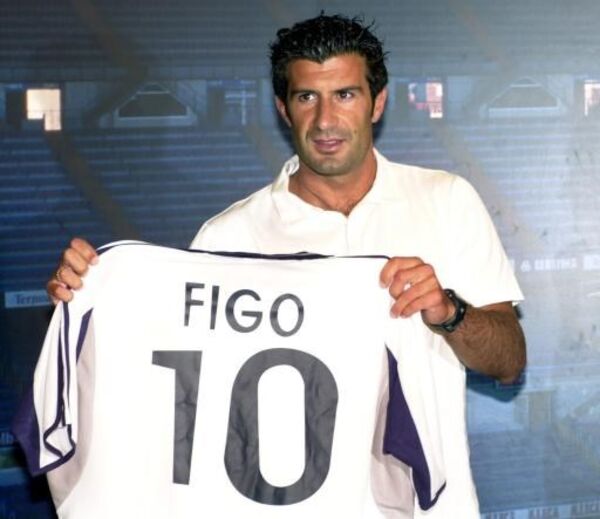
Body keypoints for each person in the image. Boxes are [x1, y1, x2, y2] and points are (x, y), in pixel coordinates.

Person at [46, 13, 526, 517]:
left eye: (345, 94)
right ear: (283, 108)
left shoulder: (447, 200)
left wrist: (448, 312)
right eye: (306, 97)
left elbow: (509, 360)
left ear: (378, 102)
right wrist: (90, 300)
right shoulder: (228, 236)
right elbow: (179, 392)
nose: (325, 120)